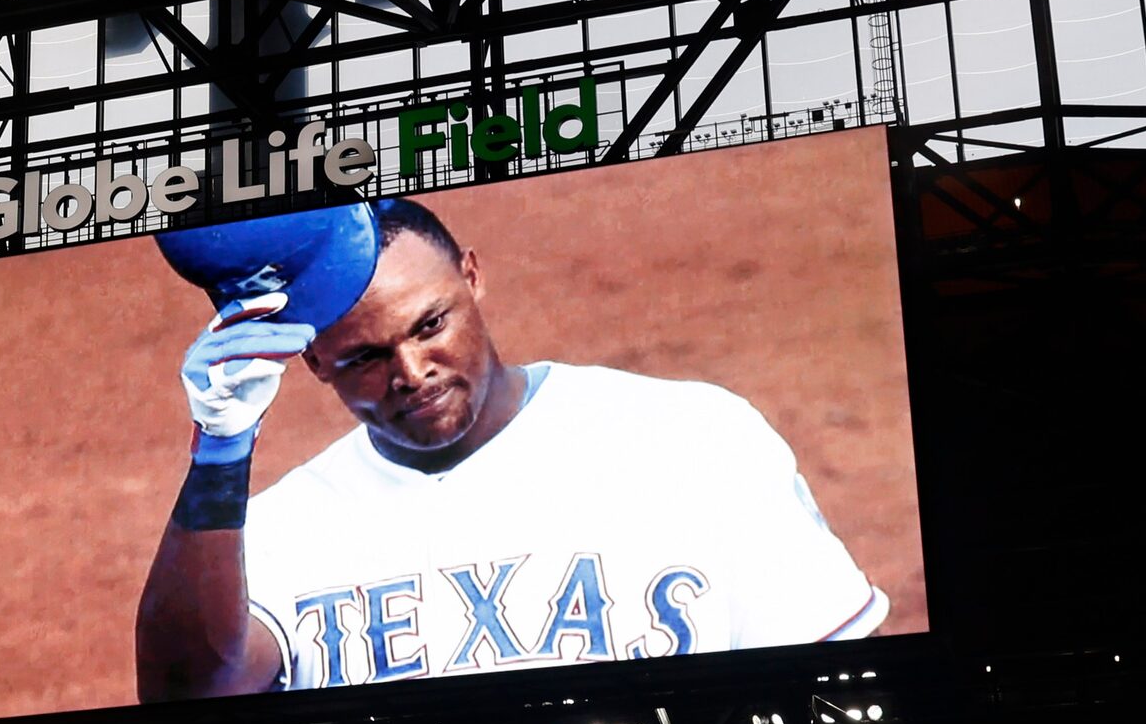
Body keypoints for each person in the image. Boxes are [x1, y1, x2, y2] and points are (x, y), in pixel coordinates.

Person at [137, 196, 886, 698]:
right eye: (363, 358)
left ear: (471, 275)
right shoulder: (274, 533)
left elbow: (829, 692)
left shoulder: (691, 439)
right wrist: (220, 451)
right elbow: (189, 696)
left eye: (430, 324)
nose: (410, 372)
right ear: (311, 363)